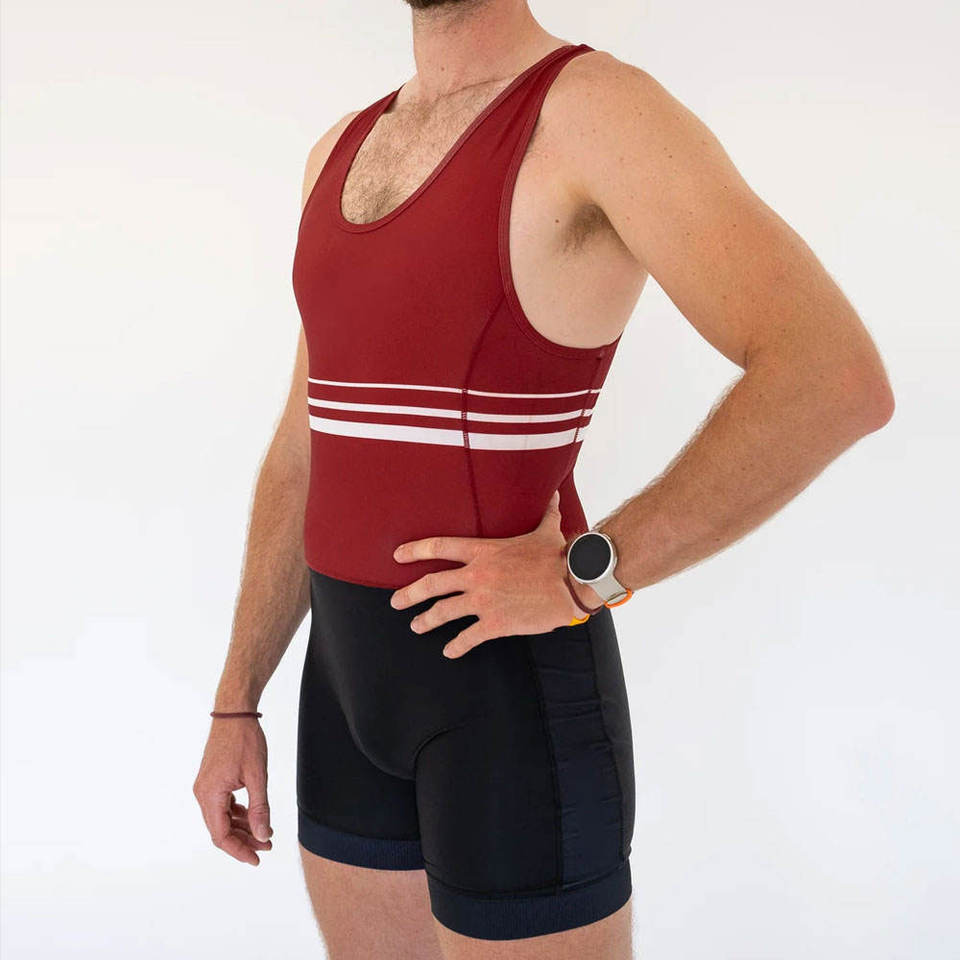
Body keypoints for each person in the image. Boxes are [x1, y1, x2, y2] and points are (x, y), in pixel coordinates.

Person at [192, 0, 894, 957]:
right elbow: (302, 448)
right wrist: (237, 696)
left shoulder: (597, 113)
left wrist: (584, 573)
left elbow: (834, 377)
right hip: (344, 698)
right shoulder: (339, 150)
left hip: (509, 707)